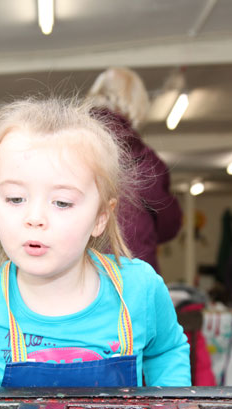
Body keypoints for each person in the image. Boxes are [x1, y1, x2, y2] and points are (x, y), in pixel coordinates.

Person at [0, 97, 191, 388]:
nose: (34, 218)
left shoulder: (140, 289)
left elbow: (167, 352)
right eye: (15, 199)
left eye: (61, 202)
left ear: (100, 217)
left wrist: (170, 405)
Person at [87, 67, 182, 273]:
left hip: (79, 270)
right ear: (136, 102)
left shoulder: (70, 146)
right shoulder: (145, 160)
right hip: (130, 271)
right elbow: (169, 225)